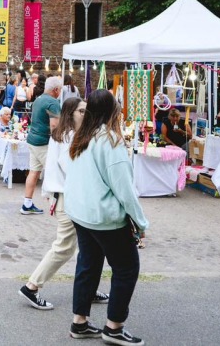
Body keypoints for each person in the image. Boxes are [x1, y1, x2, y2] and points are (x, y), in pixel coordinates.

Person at [65, 89, 149, 344]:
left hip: (82, 214)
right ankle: (113, 327)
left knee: (88, 265)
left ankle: (79, 322)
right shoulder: (109, 140)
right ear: (113, 110)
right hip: (104, 217)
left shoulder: (84, 135)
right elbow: (124, 189)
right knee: (126, 268)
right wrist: (142, 223)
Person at [18, 97, 110, 311]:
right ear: (71, 113)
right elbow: (73, 169)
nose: (85, 115)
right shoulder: (68, 136)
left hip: (69, 197)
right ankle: (31, 286)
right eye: (81, 111)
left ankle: (88, 287)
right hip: (69, 198)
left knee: (89, 247)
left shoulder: (67, 135)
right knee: (65, 247)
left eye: (86, 111)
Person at [22, 76, 62, 215]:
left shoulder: (38, 100)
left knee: (34, 172)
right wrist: (59, 143)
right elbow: (54, 125)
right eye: (60, 89)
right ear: (56, 89)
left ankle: (27, 203)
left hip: (33, 139)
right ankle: (56, 205)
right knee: (54, 173)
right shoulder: (53, 102)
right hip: (43, 142)